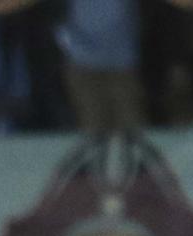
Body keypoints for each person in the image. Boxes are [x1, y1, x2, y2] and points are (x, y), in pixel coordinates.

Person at [59, 0, 145, 135]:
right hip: (82, 64)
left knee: (130, 128)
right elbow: (54, 15)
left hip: (122, 64)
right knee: (93, 129)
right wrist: (68, 44)